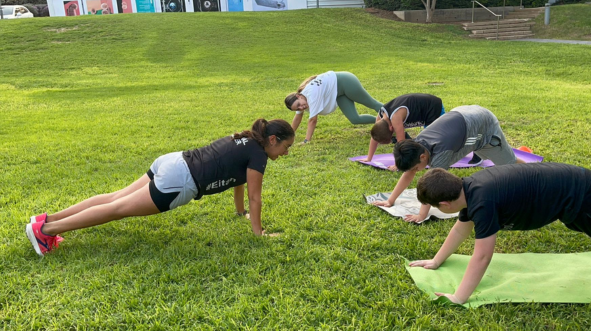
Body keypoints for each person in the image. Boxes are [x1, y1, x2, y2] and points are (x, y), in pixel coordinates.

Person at [25, 119, 295, 256]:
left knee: (115, 197)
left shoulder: (247, 141)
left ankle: (46, 219)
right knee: (117, 208)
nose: (285, 153)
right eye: (285, 147)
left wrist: (240, 213)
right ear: (272, 139)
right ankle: (45, 231)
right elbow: (255, 196)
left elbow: (239, 182)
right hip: (180, 180)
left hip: (173, 160)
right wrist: (258, 233)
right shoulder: (258, 155)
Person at [409, 164, 591, 305]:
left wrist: (459, 297)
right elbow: (461, 229)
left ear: (445, 204)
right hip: (571, 193)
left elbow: (482, 257)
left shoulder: (483, 203)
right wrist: (436, 260)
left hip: (581, 193)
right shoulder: (470, 189)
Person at [371, 105, 524, 223]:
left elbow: (433, 187)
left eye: (417, 168)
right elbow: (408, 172)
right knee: (491, 157)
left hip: (484, 125)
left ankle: (534, 173)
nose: (416, 171)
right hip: (466, 118)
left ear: (423, 157)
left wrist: (421, 214)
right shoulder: (416, 146)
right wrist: (390, 200)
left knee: (509, 165)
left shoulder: (441, 154)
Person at [284, 71, 383, 144]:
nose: (301, 108)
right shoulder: (303, 99)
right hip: (338, 93)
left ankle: (396, 118)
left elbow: (312, 120)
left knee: (372, 103)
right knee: (355, 119)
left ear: (299, 96)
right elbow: (298, 117)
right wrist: (289, 134)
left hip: (345, 82)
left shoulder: (311, 95)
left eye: (299, 105)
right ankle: (384, 124)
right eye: (298, 109)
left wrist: (306, 140)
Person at [363, 93, 448, 168]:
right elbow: (374, 136)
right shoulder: (380, 117)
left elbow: (401, 144)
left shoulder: (395, 118)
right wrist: (369, 158)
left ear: (391, 128)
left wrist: (397, 165)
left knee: (435, 139)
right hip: (422, 108)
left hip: (432, 107)